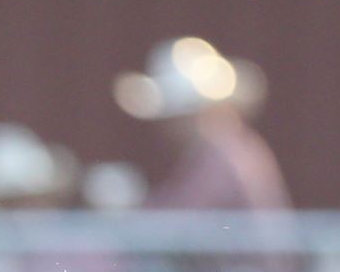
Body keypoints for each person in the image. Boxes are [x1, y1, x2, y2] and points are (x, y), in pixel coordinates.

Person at [115, 36, 291, 213]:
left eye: (174, 116)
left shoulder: (223, 155)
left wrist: (127, 205)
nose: (166, 126)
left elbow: (181, 219)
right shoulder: (229, 148)